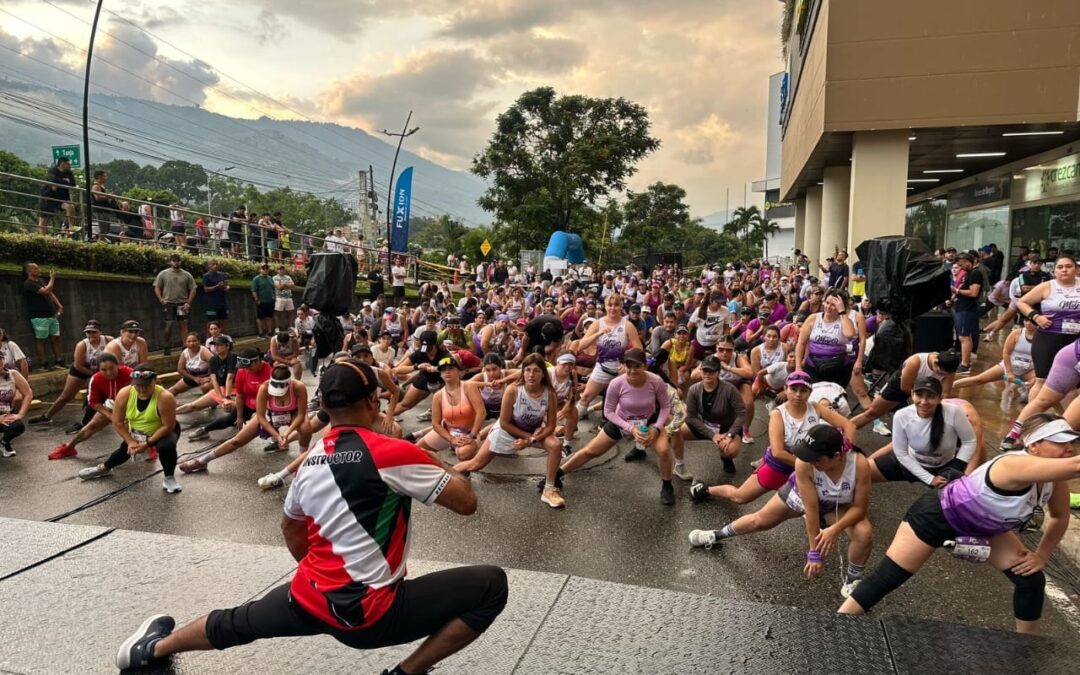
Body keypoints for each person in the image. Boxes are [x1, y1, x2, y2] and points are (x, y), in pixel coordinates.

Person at [116, 359, 507, 673]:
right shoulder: (394, 452)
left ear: (325, 409)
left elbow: (290, 527)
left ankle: (150, 650)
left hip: (309, 596)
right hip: (372, 615)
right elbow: (466, 502)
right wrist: (430, 457)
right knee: (491, 586)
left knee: (237, 622)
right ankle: (408, 672)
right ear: (373, 402)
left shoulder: (311, 459)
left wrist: (325, 578)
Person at [839, 413, 1079, 634]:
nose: (1070, 448)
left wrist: (1041, 555)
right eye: (1060, 442)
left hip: (986, 527)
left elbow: (1060, 517)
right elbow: (1076, 466)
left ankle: (1028, 644)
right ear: (1033, 445)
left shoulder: (1054, 479)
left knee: (1031, 579)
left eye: (1073, 442)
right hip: (939, 515)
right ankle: (837, 623)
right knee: (889, 576)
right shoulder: (1013, 464)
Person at [689, 424, 873, 599]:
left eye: (818, 459)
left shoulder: (859, 464)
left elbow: (859, 508)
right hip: (801, 497)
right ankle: (717, 534)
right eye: (809, 457)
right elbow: (811, 509)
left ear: (837, 456)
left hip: (836, 506)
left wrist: (835, 529)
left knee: (864, 533)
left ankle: (853, 581)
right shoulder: (805, 464)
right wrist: (814, 553)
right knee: (758, 521)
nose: (812, 462)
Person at [691, 370, 854, 506]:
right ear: (785, 389)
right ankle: (706, 489)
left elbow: (849, 426)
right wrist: (811, 466)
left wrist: (846, 450)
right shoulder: (778, 414)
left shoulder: (816, 408)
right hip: (781, 465)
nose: (798, 395)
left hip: (808, 464)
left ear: (810, 392)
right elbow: (778, 452)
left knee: (824, 501)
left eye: (803, 390)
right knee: (740, 497)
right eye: (793, 389)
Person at [558, 348, 675, 505]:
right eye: (628, 366)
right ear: (623, 366)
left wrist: (657, 428)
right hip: (622, 421)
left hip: (649, 422)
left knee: (664, 450)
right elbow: (608, 411)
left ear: (645, 366)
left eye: (637, 366)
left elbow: (666, 407)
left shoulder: (655, 381)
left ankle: (667, 486)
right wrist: (630, 428)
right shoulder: (616, 383)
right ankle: (557, 474)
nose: (632, 370)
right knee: (591, 451)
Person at [453, 353, 565, 508]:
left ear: (543, 374)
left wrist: (530, 440)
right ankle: (445, 477)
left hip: (532, 434)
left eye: (536, 371)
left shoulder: (549, 393)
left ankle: (549, 489)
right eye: (528, 370)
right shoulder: (513, 390)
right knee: (475, 464)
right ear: (522, 372)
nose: (531, 374)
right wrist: (528, 438)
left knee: (556, 445)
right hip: (506, 432)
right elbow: (504, 423)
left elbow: (551, 426)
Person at [1004, 255, 1080, 449]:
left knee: (1072, 388)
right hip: (1049, 337)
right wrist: (1036, 316)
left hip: (1075, 338)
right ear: (1054, 271)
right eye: (1060, 267)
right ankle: (1032, 425)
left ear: (1076, 269)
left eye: (1068, 266)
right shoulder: (1047, 286)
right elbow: (1021, 302)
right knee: (1042, 381)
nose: (1064, 270)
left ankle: (1068, 426)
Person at [179, 366, 309, 472]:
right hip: (270, 415)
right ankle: (203, 460)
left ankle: (302, 461)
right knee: (237, 441)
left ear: (289, 383)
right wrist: (276, 435)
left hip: (293, 413)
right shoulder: (264, 388)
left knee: (305, 427)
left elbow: (301, 414)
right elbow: (261, 416)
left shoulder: (298, 387)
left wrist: (287, 433)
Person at [78, 364, 182, 493]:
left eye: (146, 385)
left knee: (166, 446)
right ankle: (105, 468)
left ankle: (169, 478)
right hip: (138, 431)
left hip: (163, 431)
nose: (142, 389)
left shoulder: (165, 397)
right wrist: (130, 441)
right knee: (125, 450)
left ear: (155, 381)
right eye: (138, 385)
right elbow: (117, 421)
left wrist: (148, 443)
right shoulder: (125, 393)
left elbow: (167, 425)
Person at [866, 378, 980, 485]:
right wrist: (929, 479)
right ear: (912, 394)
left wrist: (957, 467)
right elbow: (901, 453)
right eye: (919, 395)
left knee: (965, 494)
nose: (924, 402)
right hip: (909, 463)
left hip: (944, 469)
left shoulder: (954, 412)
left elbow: (969, 441)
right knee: (860, 474)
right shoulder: (901, 415)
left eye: (930, 396)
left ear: (940, 398)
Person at [849, 350, 960, 436]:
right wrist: (918, 402)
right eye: (939, 372)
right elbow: (905, 387)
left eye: (945, 374)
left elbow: (944, 394)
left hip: (927, 392)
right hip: (902, 386)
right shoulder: (915, 361)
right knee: (872, 412)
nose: (941, 375)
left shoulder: (949, 370)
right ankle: (844, 429)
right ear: (936, 362)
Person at [28, 320, 111, 430]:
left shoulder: (109, 341)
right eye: (88, 332)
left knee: (102, 395)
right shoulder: (82, 345)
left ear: (100, 332)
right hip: (82, 370)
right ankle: (47, 416)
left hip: (101, 371)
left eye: (94, 332)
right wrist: (93, 375)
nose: (91, 335)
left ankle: (93, 417)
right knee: (66, 396)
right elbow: (79, 365)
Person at [672, 355, 746, 478]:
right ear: (700, 371)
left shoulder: (730, 390)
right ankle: (679, 465)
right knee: (674, 432)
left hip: (726, 428)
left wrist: (730, 435)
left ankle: (726, 458)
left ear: (718, 372)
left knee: (730, 451)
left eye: (712, 371)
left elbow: (741, 413)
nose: (707, 374)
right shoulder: (694, 390)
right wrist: (711, 435)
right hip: (705, 425)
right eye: (705, 370)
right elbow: (691, 417)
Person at [48, 353, 132, 460]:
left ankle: (149, 446)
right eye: (104, 370)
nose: (109, 372)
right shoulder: (96, 379)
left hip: (132, 403)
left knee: (141, 426)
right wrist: (110, 416)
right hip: (113, 403)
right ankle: (69, 447)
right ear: (99, 369)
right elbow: (94, 402)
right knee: (92, 426)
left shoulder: (130, 373)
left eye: (111, 368)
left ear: (118, 365)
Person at [575, 293, 643, 423]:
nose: (613, 308)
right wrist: (598, 334)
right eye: (610, 305)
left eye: (616, 305)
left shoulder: (627, 325)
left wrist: (627, 365)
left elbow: (639, 349)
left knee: (622, 401)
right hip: (602, 367)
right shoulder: (598, 324)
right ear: (605, 306)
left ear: (621, 306)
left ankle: (617, 425)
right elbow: (581, 345)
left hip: (620, 370)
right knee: (586, 397)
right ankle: (570, 425)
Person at [188, 348, 270, 442]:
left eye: (249, 366)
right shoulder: (242, 371)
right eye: (245, 367)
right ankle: (205, 430)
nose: (247, 369)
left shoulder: (270, 370)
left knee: (269, 419)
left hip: (267, 403)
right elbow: (240, 396)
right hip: (249, 402)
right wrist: (239, 416)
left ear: (258, 360)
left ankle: (277, 439)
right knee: (230, 419)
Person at [415, 355, 486, 461]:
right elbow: (435, 424)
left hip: (469, 433)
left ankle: (470, 461)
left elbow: (481, 413)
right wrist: (451, 439)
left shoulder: (469, 387)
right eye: (443, 370)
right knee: (416, 450)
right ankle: (441, 467)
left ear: (459, 372)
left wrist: (472, 436)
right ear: (440, 374)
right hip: (448, 432)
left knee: (463, 454)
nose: (447, 372)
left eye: (451, 368)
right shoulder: (438, 395)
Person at [953, 320, 1036, 392]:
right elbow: (1006, 353)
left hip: (1029, 369)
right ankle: (952, 385)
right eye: (1026, 320)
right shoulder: (1017, 333)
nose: (1028, 324)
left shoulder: (1042, 336)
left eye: (1032, 322)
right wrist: (1009, 372)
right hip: (1009, 365)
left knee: (1039, 382)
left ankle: (1027, 395)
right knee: (979, 379)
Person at [796, 289, 856, 387]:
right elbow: (801, 343)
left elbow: (850, 334)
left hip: (838, 367)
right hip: (813, 366)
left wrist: (842, 311)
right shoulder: (813, 318)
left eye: (833, 305)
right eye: (827, 303)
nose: (828, 307)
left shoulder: (845, 320)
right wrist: (798, 366)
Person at [21, 262, 64, 371]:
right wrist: (52, 278)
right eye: (36, 268)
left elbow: (50, 293)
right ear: (29, 271)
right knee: (41, 340)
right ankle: (43, 364)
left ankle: (59, 361)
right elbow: (45, 291)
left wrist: (59, 305)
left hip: (51, 315)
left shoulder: (40, 281)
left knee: (56, 338)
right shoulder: (28, 283)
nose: (39, 270)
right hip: (39, 317)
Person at [176, 336, 235, 416]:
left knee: (234, 406)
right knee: (193, 405)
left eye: (219, 345)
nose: (216, 347)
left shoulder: (232, 357)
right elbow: (214, 380)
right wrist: (221, 398)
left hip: (235, 389)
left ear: (227, 346)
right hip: (222, 388)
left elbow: (229, 378)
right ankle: (168, 413)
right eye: (215, 345)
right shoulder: (213, 359)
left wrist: (227, 397)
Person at [153, 254, 197, 356]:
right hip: (169, 303)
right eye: (174, 260)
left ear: (181, 261)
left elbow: (193, 289)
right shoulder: (163, 273)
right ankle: (167, 346)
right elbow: (157, 287)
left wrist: (188, 303)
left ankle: (185, 346)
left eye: (178, 260)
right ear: (170, 262)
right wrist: (161, 300)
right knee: (169, 325)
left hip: (182, 304)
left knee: (183, 324)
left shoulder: (187, 275)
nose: (176, 262)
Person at [950, 253, 983, 374]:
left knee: (964, 337)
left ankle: (965, 364)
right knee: (964, 336)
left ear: (967, 262)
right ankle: (965, 361)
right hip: (962, 307)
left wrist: (956, 290)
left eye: (961, 264)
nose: (960, 267)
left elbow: (974, 292)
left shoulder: (975, 273)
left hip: (967, 309)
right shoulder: (969, 274)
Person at [0, 350, 32, 457]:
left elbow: (28, 393)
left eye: (0, 359)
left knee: (18, 426)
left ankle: (4, 442)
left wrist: (20, 414)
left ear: (3, 360)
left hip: (6, 415)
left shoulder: (13, 374)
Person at [37, 156, 76, 236]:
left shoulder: (69, 173)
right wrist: (65, 181)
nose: (70, 166)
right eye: (68, 164)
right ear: (62, 164)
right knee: (44, 219)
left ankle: (70, 228)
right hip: (48, 197)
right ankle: (42, 237)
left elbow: (73, 184)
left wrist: (58, 184)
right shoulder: (52, 170)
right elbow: (52, 180)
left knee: (70, 207)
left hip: (61, 197)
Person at [202, 259, 230, 330]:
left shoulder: (222, 275)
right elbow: (206, 289)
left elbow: (226, 284)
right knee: (211, 323)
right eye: (213, 264)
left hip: (222, 303)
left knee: (222, 321)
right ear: (209, 266)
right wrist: (217, 286)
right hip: (212, 304)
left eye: (217, 264)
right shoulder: (206, 276)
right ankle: (209, 337)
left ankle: (221, 336)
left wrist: (227, 287)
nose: (215, 266)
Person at [251, 263, 277, 338]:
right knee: (260, 317)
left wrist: (274, 297)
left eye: (266, 268)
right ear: (260, 269)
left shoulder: (270, 278)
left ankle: (269, 332)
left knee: (269, 316)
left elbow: (273, 288)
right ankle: (261, 333)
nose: (265, 270)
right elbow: (253, 290)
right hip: (261, 301)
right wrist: (257, 300)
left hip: (270, 301)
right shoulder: (256, 279)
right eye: (263, 268)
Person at [272, 265, 295, 332]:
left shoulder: (288, 277)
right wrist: (287, 284)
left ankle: (290, 326)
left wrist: (284, 284)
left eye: (283, 269)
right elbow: (279, 287)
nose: (281, 270)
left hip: (289, 297)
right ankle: (277, 328)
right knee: (277, 313)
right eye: (280, 269)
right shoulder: (274, 277)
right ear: (277, 270)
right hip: (279, 297)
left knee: (290, 312)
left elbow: (293, 285)